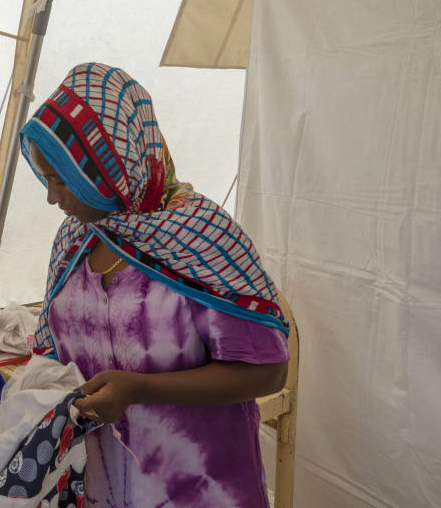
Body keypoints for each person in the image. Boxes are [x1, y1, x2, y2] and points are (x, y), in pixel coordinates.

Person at [19, 62, 290, 507]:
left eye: (60, 179)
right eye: (46, 177)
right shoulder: (74, 241)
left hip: (200, 488)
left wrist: (141, 389)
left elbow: (269, 370)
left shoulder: (202, 238)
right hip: (101, 486)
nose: (52, 197)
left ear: (109, 166)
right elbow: (51, 349)